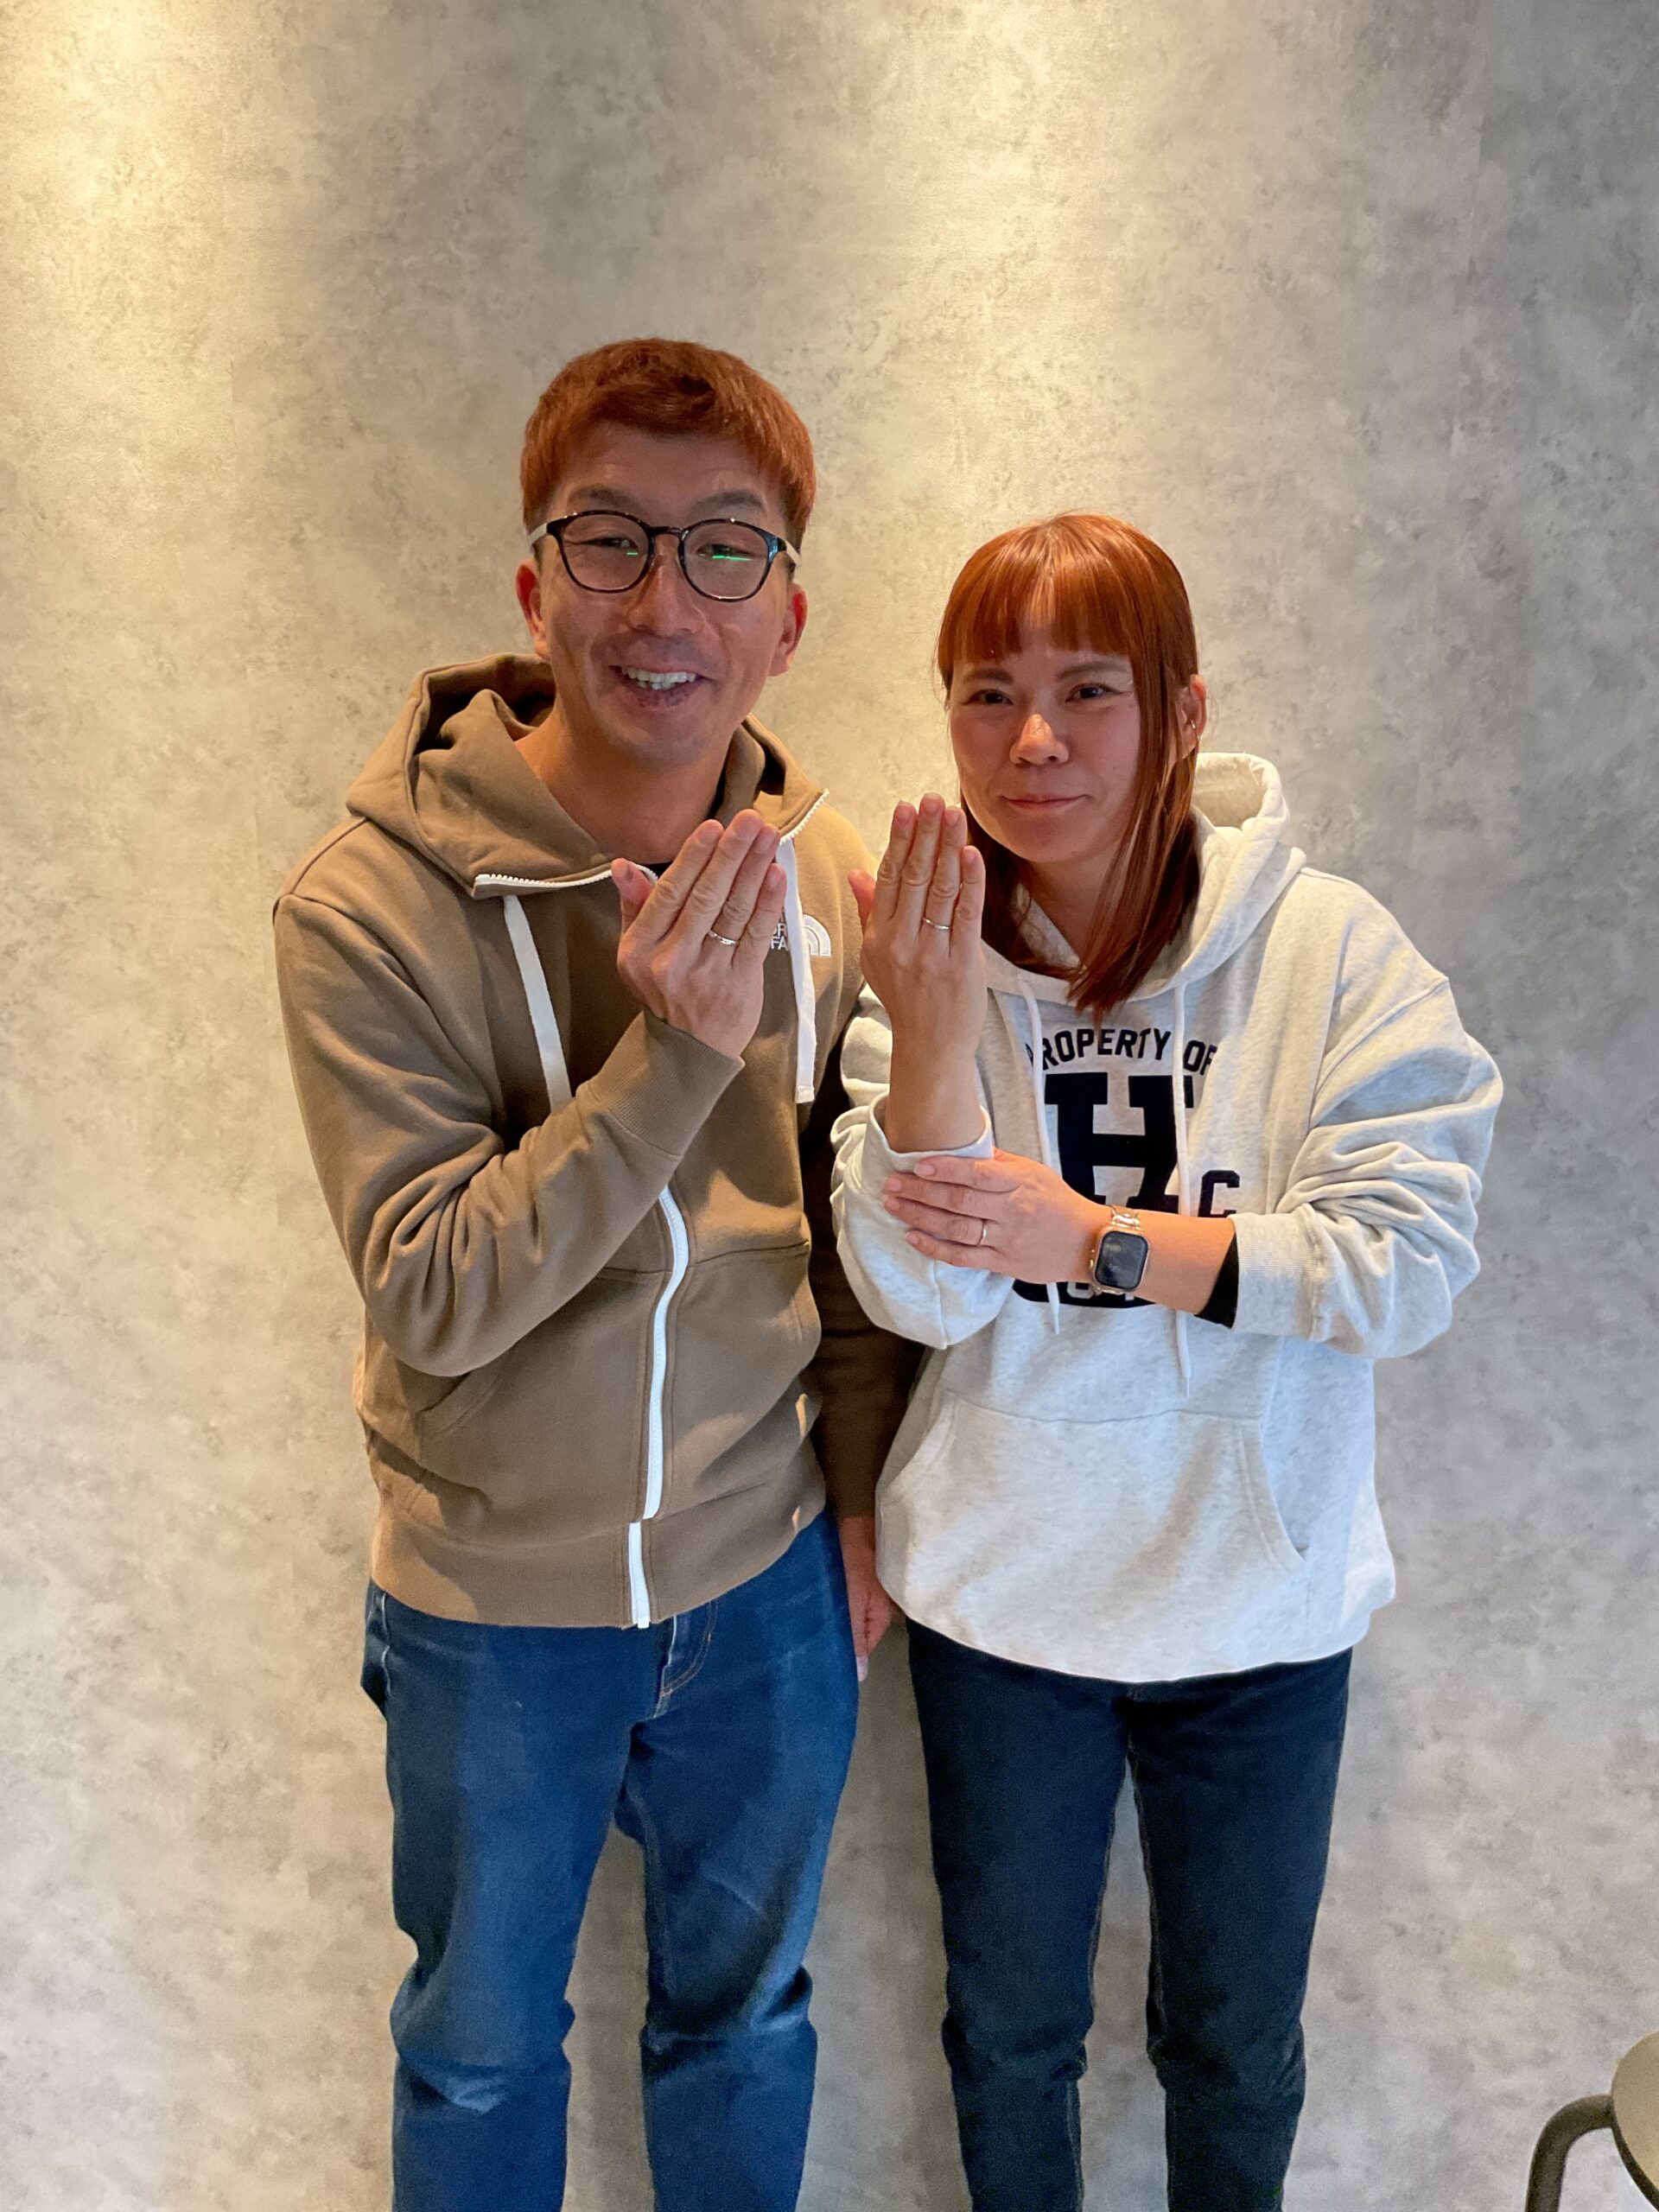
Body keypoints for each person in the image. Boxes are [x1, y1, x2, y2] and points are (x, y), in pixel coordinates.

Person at [273, 337, 915, 2212]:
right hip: (493, 1606)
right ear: (533, 583)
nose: (663, 602)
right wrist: (672, 1058)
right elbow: (430, 1286)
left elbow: (855, 1231)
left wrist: (855, 1499)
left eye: (726, 547)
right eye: (610, 536)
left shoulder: (830, 872)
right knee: (478, 2054)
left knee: (748, 2023)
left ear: (787, 613)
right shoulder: (368, 901)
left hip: (767, 1580)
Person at [830, 512, 1501, 2212]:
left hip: (1256, 1604)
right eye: (988, 694)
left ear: (1182, 712)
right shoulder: (925, 954)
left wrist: (1101, 1242)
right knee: (1010, 2038)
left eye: (1087, 690)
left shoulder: (1330, 951)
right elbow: (917, 1298)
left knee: (1233, 2044)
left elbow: (1410, 1262)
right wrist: (932, 1035)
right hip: (1004, 1604)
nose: (1032, 742)